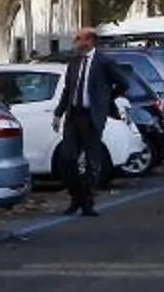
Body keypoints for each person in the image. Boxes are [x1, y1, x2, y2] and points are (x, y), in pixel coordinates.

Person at [51, 26, 128, 215]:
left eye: (79, 39)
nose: (76, 42)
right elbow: (68, 90)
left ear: (90, 41)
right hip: (74, 115)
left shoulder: (104, 62)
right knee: (67, 159)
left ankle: (88, 201)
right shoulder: (74, 61)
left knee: (92, 162)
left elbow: (123, 83)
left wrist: (106, 98)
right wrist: (59, 113)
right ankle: (76, 196)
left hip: (92, 116)